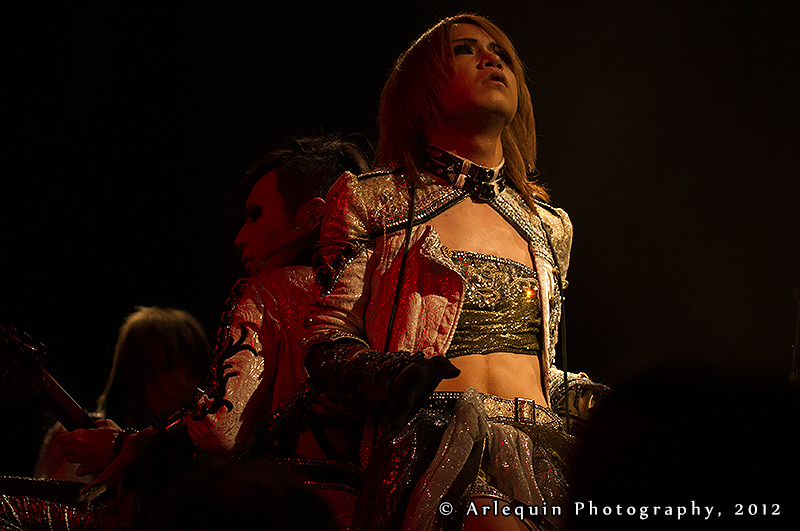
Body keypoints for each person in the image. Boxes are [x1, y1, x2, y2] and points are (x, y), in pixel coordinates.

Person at [303, 14, 605, 531]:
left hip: (544, 451)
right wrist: (394, 376)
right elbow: (325, 342)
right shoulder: (373, 201)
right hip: (434, 449)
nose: (491, 58)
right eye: (466, 49)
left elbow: (539, 370)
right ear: (420, 91)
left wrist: (606, 402)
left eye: (500, 53)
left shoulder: (548, 225)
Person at [1, 135, 371, 531]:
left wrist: (125, 444)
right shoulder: (370, 296)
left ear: (313, 215)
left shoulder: (269, 290)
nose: (239, 237)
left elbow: (218, 432)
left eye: (255, 214)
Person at [33, 305, 211, 483]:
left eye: (194, 370)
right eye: (169, 367)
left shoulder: (205, 451)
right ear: (133, 372)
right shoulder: (80, 439)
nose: (183, 382)